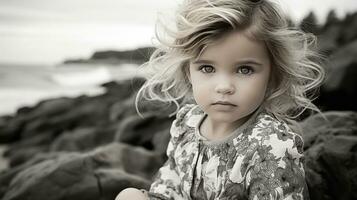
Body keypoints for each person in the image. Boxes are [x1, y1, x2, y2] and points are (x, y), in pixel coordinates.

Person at [116, 0, 326, 199]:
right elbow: (170, 182)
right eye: (207, 68)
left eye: (244, 69)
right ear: (189, 72)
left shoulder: (271, 146)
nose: (224, 86)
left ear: (272, 75)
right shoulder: (187, 122)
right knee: (129, 195)